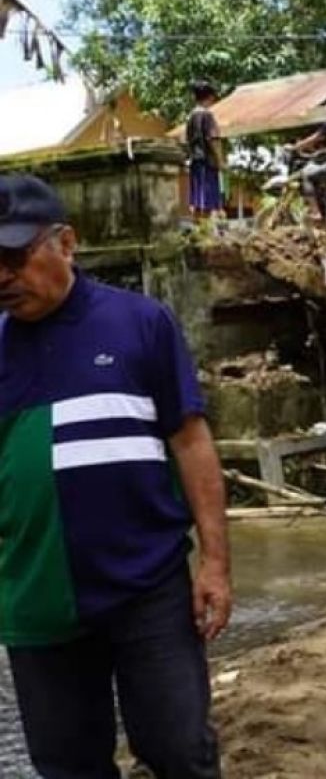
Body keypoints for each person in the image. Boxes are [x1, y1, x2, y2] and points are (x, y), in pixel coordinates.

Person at [0, 174, 231, 778]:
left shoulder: (140, 323)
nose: (1, 276)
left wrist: (214, 563)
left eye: (14, 257)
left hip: (146, 586)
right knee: (69, 766)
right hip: (36, 597)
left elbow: (191, 441)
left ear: (66, 243)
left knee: (180, 750)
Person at [186, 80, 224, 222]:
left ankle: (198, 231)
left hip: (195, 161)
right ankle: (204, 232)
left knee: (197, 202)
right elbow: (213, 139)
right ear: (210, 97)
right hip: (207, 162)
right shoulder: (206, 115)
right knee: (207, 202)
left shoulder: (190, 117)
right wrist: (220, 161)